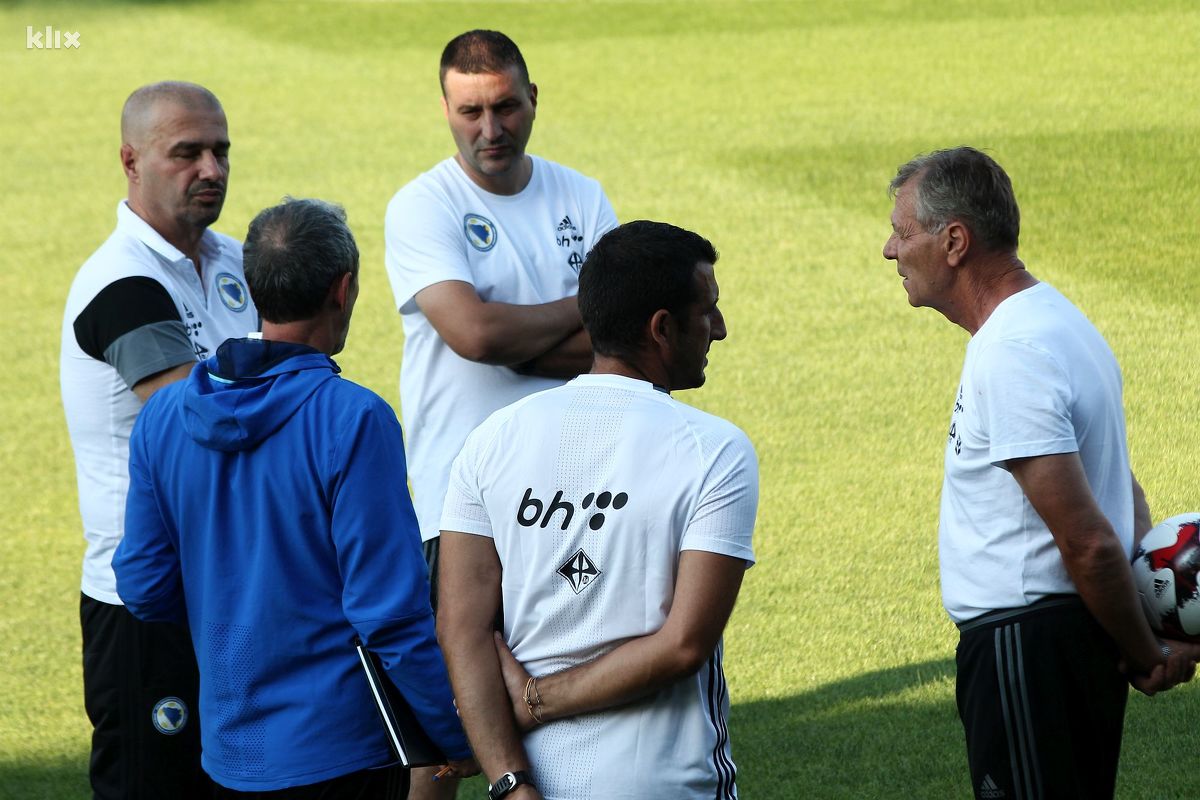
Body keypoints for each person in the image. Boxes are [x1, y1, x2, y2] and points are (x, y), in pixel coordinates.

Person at [112, 198, 477, 797]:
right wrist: (452, 732)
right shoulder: (353, 419)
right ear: (343, 289)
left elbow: (144, 587)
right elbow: (388, 613)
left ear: (254, 287)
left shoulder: (164, 417)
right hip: (343, 752)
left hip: (229, 754)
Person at [882, 146, 1196, 799]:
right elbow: (1121, 489)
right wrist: (1142, 628)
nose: (890, 250)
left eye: (903, 233)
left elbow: (1086, 538)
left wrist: (1149, 653)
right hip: (1059, 645)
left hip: (1027, 651)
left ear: (955, 242)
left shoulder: (1013, 352)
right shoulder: (1059, 322)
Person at [437, 220, 758, 800]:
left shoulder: (490, 440)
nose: (720, 328)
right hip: (666, 785)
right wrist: (535, 701)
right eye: (708, 310)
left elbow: (461, 629)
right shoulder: (715, 450)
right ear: (661, 328)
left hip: (534, 780)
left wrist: (511, 784)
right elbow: (684, 645)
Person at [384, 31, 617, 796]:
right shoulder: (423, 207)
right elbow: (475, 334)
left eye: (506, 107)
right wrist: (583, 309)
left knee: (567, 699)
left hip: (573, 501)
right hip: (461, 509)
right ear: (445, 110)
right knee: (445, 740)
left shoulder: (582, 197)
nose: (491, 129)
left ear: (533, 99)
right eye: (471, 111)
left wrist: (518, 338)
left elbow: (618, 346)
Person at [60, 80, 256, 798]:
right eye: (187, 153)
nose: (211, 169)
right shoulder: (121, 283)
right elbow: (207, 423)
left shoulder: (238, 264)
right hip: (146, 602)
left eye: (220, 151)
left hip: (231, 584)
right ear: (131, 161)